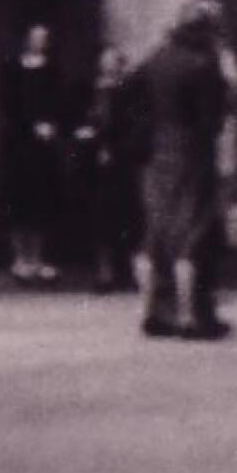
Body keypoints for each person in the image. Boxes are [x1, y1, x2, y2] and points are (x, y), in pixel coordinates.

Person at [135, 0, 233, 340]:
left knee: (157, 231)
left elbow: (130, 100)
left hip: (158, 150)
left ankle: (152, 311)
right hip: (193, 152)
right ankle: (193, 315)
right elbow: (214, 118)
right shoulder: (204, 65)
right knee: (194, 232)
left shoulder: (155, 59)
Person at [0, 23, 70, 284]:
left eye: (44, 38)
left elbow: (58, 102)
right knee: (18, 200)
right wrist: (29, 125)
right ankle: (19, 258)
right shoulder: (11, 68)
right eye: (36, 37)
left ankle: (37, 258)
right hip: (18, 143)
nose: (40, 42)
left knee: (40, 201)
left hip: (42, 146)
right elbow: (8, 104)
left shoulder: (52, 69)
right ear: (26, 39)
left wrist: (51, 124)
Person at [75, 46, 146, 292]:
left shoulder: (129, 91)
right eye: (105, 62)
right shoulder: (93, 90)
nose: (109, 66)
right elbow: (87, 118)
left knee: (129, 218)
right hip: (96, 163)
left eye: (113, 62)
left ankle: (132, 272)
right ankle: (105, 272)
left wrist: (114, 146)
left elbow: (133, 124)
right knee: (101, 219)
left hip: (122, 161)